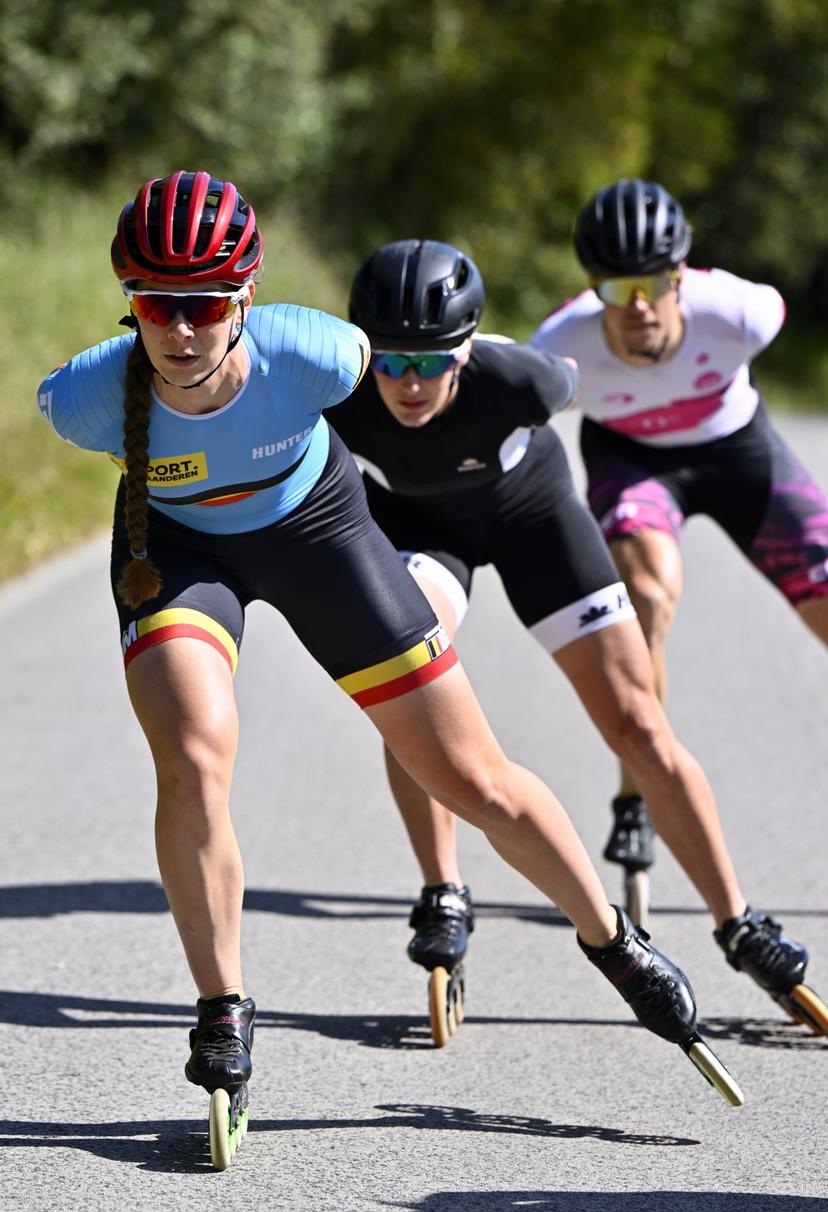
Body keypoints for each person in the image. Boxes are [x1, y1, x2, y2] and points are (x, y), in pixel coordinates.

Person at [36, 172, 726, 1111]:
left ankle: (612, 936)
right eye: (157, 305)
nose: (181, 330)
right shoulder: (85, 398)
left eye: (203, 305)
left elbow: (421, 374)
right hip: (181, 550)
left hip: (321, 535)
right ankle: (221, 1003)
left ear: (245, 298)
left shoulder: (315, 355)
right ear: (132, 305)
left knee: (471, 777)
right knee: (194, 757)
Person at [331, 236, 814, 1018]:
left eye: (432, 362)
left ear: (468, 349)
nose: (409, 384)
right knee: (409, 681)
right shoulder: (337, 388)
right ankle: (443, 888)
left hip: (532, 521)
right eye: (390, 362)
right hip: (424, 533)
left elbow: (622, 395)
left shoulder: (529, 378)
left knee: (637, 723)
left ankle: (737, 919)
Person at [531, 178, 828, 984]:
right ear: (592, 289)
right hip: (633, 463)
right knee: (650, 599)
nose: (637, 308)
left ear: (681, 275)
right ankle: (638, 798)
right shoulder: (563, 344)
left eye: (654, 285)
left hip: (740, 454)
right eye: (616, 290)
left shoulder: (742, 312)